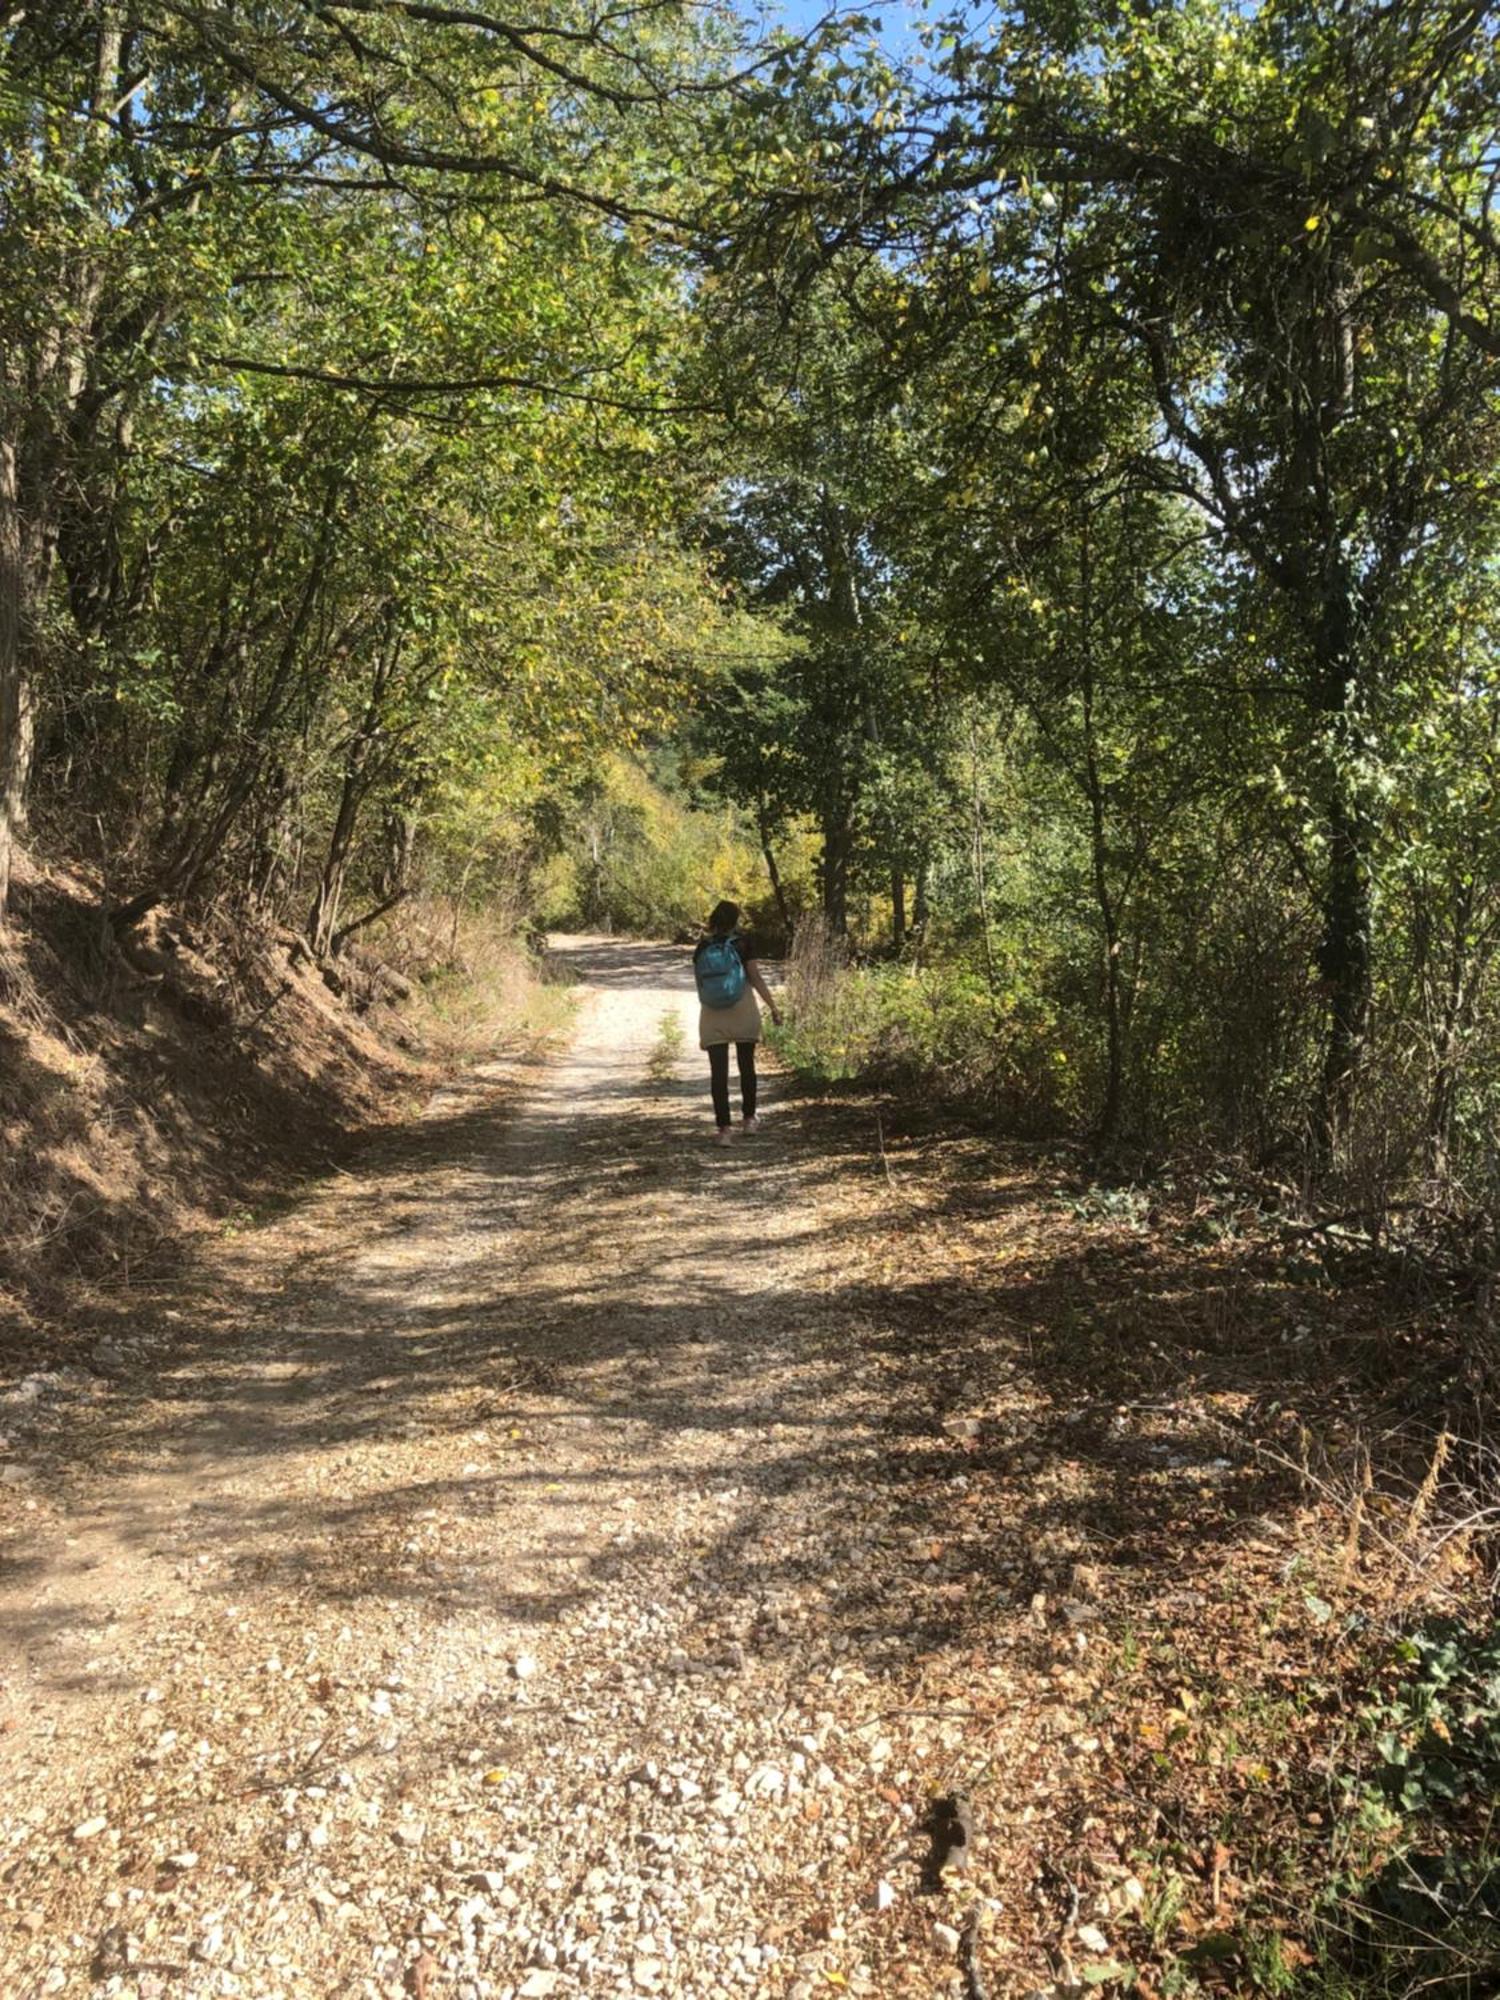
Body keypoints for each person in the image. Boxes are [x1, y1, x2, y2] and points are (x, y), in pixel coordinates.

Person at [692, 900, 781, 1146]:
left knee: (718, 1073)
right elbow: (755, 977)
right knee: (746, 1066)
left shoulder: (702, 947)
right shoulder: (743, 944)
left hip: (712, 1013)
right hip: (742, 1008)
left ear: (713, 920)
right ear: (735, 920)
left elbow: (700, 982)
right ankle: (750, 1119)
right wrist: (773, 1007)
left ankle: (724, 1130)